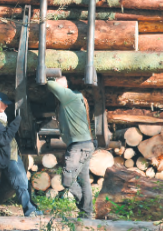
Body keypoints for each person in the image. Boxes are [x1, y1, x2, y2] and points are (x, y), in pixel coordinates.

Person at [0, 93, 42, 217]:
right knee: (21, 184)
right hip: (6, 158)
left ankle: (32, 208)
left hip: (13, 155)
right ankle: (29, 212)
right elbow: (2, 140)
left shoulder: (1, 117)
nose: (6, 106)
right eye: (4, 103)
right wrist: (15, 124)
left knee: (24, 183)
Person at [46, 76, 94, 219]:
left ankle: (84, 208)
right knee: (84, 180)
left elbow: (50, 84)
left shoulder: (69, 96)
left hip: (78, 146)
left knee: (68, 180)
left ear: (65, 86)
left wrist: (52, 78)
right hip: (85, 144)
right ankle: (87, 213)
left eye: (60, 81)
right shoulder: (74, 98)